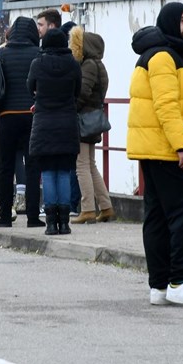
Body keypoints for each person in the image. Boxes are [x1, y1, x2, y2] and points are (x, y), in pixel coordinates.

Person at [128, 2, 183, 306]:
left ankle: (160, 285)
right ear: (168, 22)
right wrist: (182, 145)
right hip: (171, 150)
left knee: (158, 216)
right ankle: (180, 281)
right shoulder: (165, 57)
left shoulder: (163, 53)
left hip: (157, 149)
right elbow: (167, 105)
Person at [0, 17, 45, 228]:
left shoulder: (2, 54)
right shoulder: (37, 54)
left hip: (7, 116)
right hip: (32, 115)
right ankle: (32, 216)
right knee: (33, 166)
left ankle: (5, 216)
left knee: (5, 166)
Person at [28, 28, 82, 235]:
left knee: (48, 173)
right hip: (67, 123)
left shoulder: (37, 64)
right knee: (65, 172)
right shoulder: (73, 64)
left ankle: (51, 223)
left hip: (43, 123)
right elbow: (77, 90)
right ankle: (65, 222)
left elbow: (29, 86)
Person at [68, 26, 115, 224]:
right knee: (91, 165)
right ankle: (106, 206)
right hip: (93, 118)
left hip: (83, 120)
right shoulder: (98, 64)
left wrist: (71, 109)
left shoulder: (88, 65)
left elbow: (83, 92)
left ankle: (87, 208)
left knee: (81, 165)